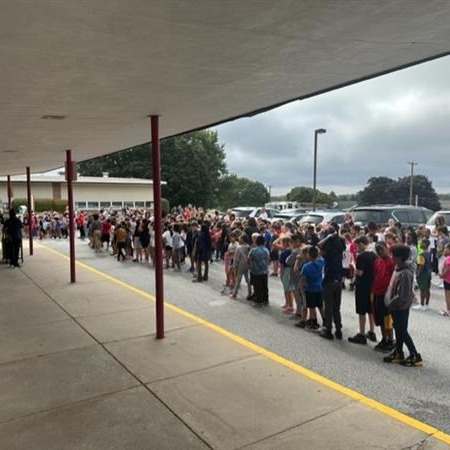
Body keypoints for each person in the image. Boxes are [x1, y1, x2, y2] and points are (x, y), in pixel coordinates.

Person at [384, 244, 422, 366]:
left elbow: (402, 296)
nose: (391, 257)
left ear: (400, 258)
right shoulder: (397, 268)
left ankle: (414, 355)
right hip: (394, 307)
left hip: (400, 307)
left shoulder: (405, 273)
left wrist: (390, 304)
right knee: (398, 329)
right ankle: (399, 352)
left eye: (393, 256)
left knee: (402, 331)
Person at [318, 223, 346, 340]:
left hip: (329, 279)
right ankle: (338, 329)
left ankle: (328, 329)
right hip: (338, 279)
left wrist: (328, 237)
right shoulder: (340, 250)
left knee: (328, 306)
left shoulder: (327, 253)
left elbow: (319, 245)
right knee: (336, 307)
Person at [348, 235, 377, 345]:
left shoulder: (361, 257)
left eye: (357, 246)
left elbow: (360, 272)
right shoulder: (374, 255)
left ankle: (361, 333)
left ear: (361, 244)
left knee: (361, 311)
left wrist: (354, 267)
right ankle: (372, 331)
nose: (357, 248)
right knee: (370, 309)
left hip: (362, 285)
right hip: (371, 284)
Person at [372, 241, 395, 352]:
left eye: (381, 249)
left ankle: (391, 340)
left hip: (386, 293)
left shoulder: (391, 262)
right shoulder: (377, 262)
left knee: (387, 318)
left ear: (387, 248)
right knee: (380, 318)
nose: (380, 252)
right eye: (378, 250)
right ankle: (384, 338)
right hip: (377, 292)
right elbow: (376, 275)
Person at [300, 246, 324, 330]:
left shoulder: (306, 266)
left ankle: (313, 322)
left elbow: (303, 279)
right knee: (320, 305)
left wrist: (302, 288)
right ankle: (325, 320)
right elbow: (320, 256)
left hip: (310, 288)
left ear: (309, 255)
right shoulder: (321, 262)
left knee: (312, 306)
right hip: (319, 287)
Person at [248, 235, 270, 306]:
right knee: (264, 286)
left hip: (255, 270)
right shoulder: (266, 250)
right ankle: (265, 299)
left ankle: (259, 299)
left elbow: (249, 259)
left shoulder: (253, 250)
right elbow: (268, 260)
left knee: (257, 286)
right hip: (264, 270)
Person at [413, 238, 432, 311]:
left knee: (422, 289)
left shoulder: (421, 254)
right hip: (428, 272)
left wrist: (418, 273)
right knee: (427, 289)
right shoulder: (429, 253)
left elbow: (421, 265)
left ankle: (422, 304)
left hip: (423, 273)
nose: (420, 244)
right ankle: (427, 304)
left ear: (425, 244)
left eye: (421, 243)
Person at [438, 243, 450, 316]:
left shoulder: (448, 258)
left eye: (446, 248)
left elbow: (448, 268)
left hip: (448, 280)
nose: (444, 250)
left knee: (447, 295)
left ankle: (448, 310)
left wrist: (442, 275)